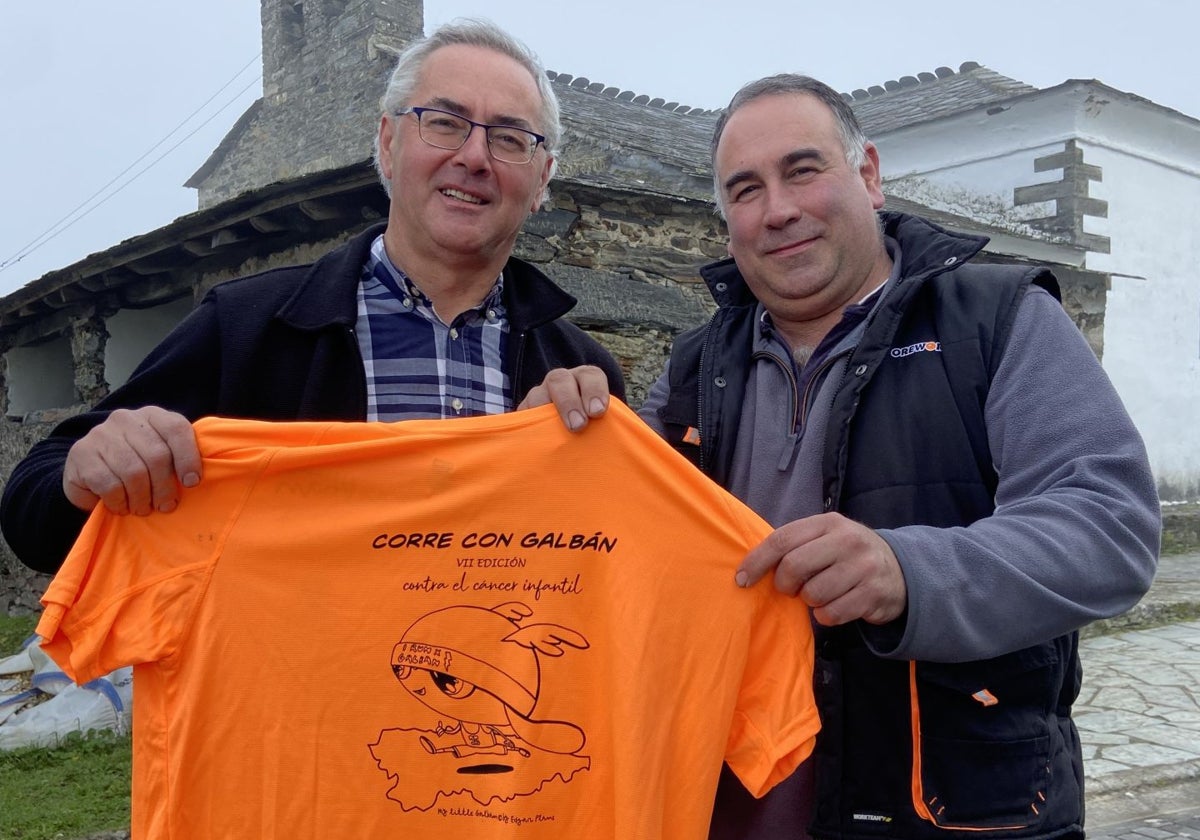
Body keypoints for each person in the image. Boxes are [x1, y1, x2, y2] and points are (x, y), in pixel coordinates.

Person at [527, 75, 1160, 840]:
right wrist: (560, 447)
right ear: (726, 225)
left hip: (950, 804)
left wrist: (909, 573)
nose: (779, 209)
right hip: (741, 796)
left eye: (802, 170)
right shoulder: (696, 365)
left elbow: (1111, 528)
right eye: (746, 190)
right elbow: (612, 546)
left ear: (867, 174)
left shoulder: (1000, 320)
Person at [1, 18, 623, 574]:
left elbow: (619, 566)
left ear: (541, 182)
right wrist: (84, 474)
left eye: (511, 139)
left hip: (496, 693)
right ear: (387, 143)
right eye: (444, 123)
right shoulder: (248, 328)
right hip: (297, 700)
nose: (474, 157)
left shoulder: (581, 376)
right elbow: (34, 512)